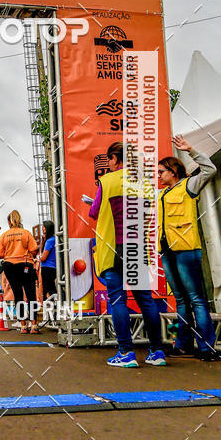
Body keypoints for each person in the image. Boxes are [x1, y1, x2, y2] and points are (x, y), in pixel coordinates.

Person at [89, 141, 166, 368]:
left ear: (115, 158)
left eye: (109, 159)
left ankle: (126, 352)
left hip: (113, 249)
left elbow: (94, 212)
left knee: (118, 299)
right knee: (146, 300)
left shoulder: (107, 181)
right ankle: (157, 352)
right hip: (138, 249)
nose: (109, 164)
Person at [158, 135, 219, 360]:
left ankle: (206, 348)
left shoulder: (189, 185)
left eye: (161, 171)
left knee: (196, 299)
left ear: (173, 171)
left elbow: (210, 170)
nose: (158, 175)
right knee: (182, 300)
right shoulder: (161, 194)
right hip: (167, 251)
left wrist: (191, 150)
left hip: (186, 249)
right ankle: (183, 344)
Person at [0, 211, 38, 333]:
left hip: (10, 266)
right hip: (25, 265)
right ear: (19, 220)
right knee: (31, 294)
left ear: (9, 222)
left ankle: (23, 326)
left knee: (18, 294)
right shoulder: (26, 233)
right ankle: (34, 325)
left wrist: (10, 252)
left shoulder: (4, 235)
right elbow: (34, 249)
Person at [38, 220, 57, 301]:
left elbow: (43, 257)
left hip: (47, 267)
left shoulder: (49, 241)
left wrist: (39, 258)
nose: (43, 230)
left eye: (44, 228)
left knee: (47, 289)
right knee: (52, 287)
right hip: (53, 267)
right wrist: (43, 241)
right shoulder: (54, 239)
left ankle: (49, 307)